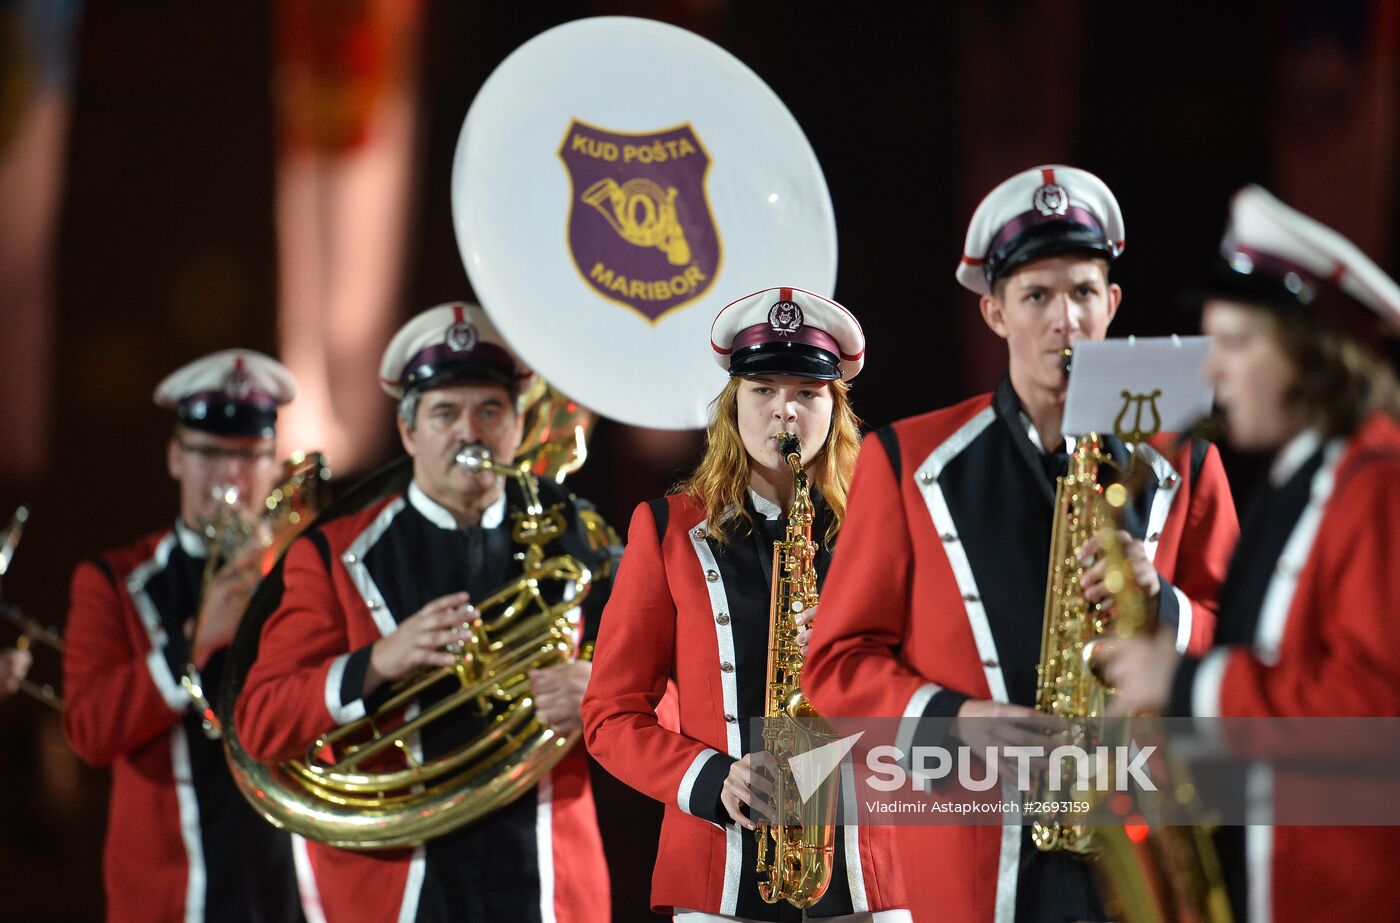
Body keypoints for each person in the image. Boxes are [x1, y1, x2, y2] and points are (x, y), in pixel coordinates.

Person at [801, 166, 1241, 923]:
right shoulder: (907, 459)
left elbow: (1249, 639)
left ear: (1113, 303)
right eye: (1036, 296)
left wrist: (1163, 606)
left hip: (1146, 842)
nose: (1063, 320)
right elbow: (836, 664)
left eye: (1081, 292)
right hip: (972, 854)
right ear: (995, 313)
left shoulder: (1187, 460)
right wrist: (954, 717)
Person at [235, 302, 613, 923]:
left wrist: (602, 693)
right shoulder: (332, 554)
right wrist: (377, 663)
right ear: (409, 432)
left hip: (546, 878)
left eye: (489, 411)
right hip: (401, 889)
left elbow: (673, 688)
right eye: (445, 413)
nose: (470, 433)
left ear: (517, 427)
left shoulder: (577, 532)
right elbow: (260, 723)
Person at [1098, 185, 1400, 923]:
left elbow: (1373, 715)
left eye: (1235, 344)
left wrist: (1187, 684)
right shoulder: (1300, 480)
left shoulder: (1379, 486)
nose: (1210, 372)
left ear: (1309, 350)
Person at [583, 287, 909, 922]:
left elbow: (938, 695)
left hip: (870, 873)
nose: (784, 412)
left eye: (807, 394)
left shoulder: (886, 530)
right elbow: (610, 716)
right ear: (733, 407)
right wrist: (710, 778)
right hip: (721, 876)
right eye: (763, 391)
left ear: (835, 410)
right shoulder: (668, 532)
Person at [62, 349, 303, 923]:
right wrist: (192, 645)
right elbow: (89, 732)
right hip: (173, 902)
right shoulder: (113, 581)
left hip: (287, 896)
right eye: (211, 454)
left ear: (273, 464)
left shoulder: (299, 577)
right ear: (175, 457)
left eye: (250, 456)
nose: (231, 477)